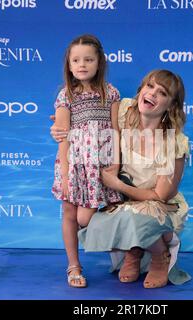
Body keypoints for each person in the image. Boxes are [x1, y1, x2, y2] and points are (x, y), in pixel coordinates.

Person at [51, 69, 191, 289]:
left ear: (171, 105)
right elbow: (87, 120)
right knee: (88, 221)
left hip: (159, 206)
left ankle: (159, 256)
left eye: (162, 93)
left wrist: (117, 184)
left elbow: (161, 195)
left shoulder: (174, 142)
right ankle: (132, 252)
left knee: (134, 217)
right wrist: (60, 127)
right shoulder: (124, 110)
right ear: (141, 90)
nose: (152, 94)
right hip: (122, 201)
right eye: (150, 86)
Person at [51, 34, 122, 288]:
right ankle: (74, 266)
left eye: (88, 59)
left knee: (86, 217)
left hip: (101, 166)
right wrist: (67, 175)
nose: (82, 65)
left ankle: (125, 255)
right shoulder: (65, 95)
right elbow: (62, 137)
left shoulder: (110, 93)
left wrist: (116, 163)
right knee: (70, 213)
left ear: (99, 63)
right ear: (69, 65)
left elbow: (115, 130)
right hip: (74, 165)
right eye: (76, 60)